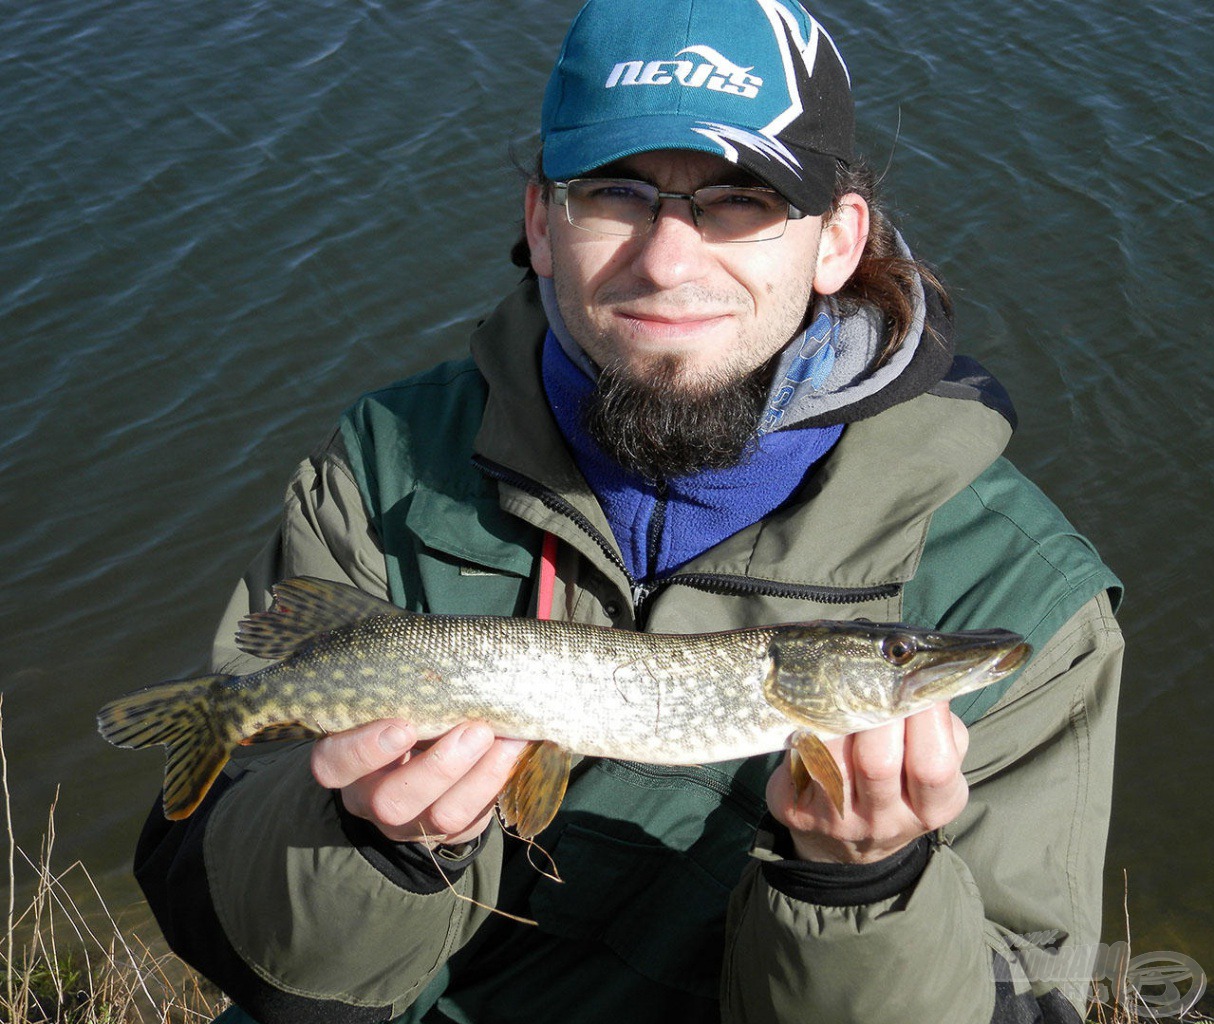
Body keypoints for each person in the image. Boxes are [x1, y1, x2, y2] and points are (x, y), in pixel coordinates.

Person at [132, 0, 1124, 1021]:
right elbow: (234, 931)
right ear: (539, 225)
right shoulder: (383, 465)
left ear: (836, 242)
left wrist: (860, 888)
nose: (666, 261)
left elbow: (1024, 997)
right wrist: (363, 842)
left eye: (739, 201)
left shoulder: (1030, 599)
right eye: (616, 194)